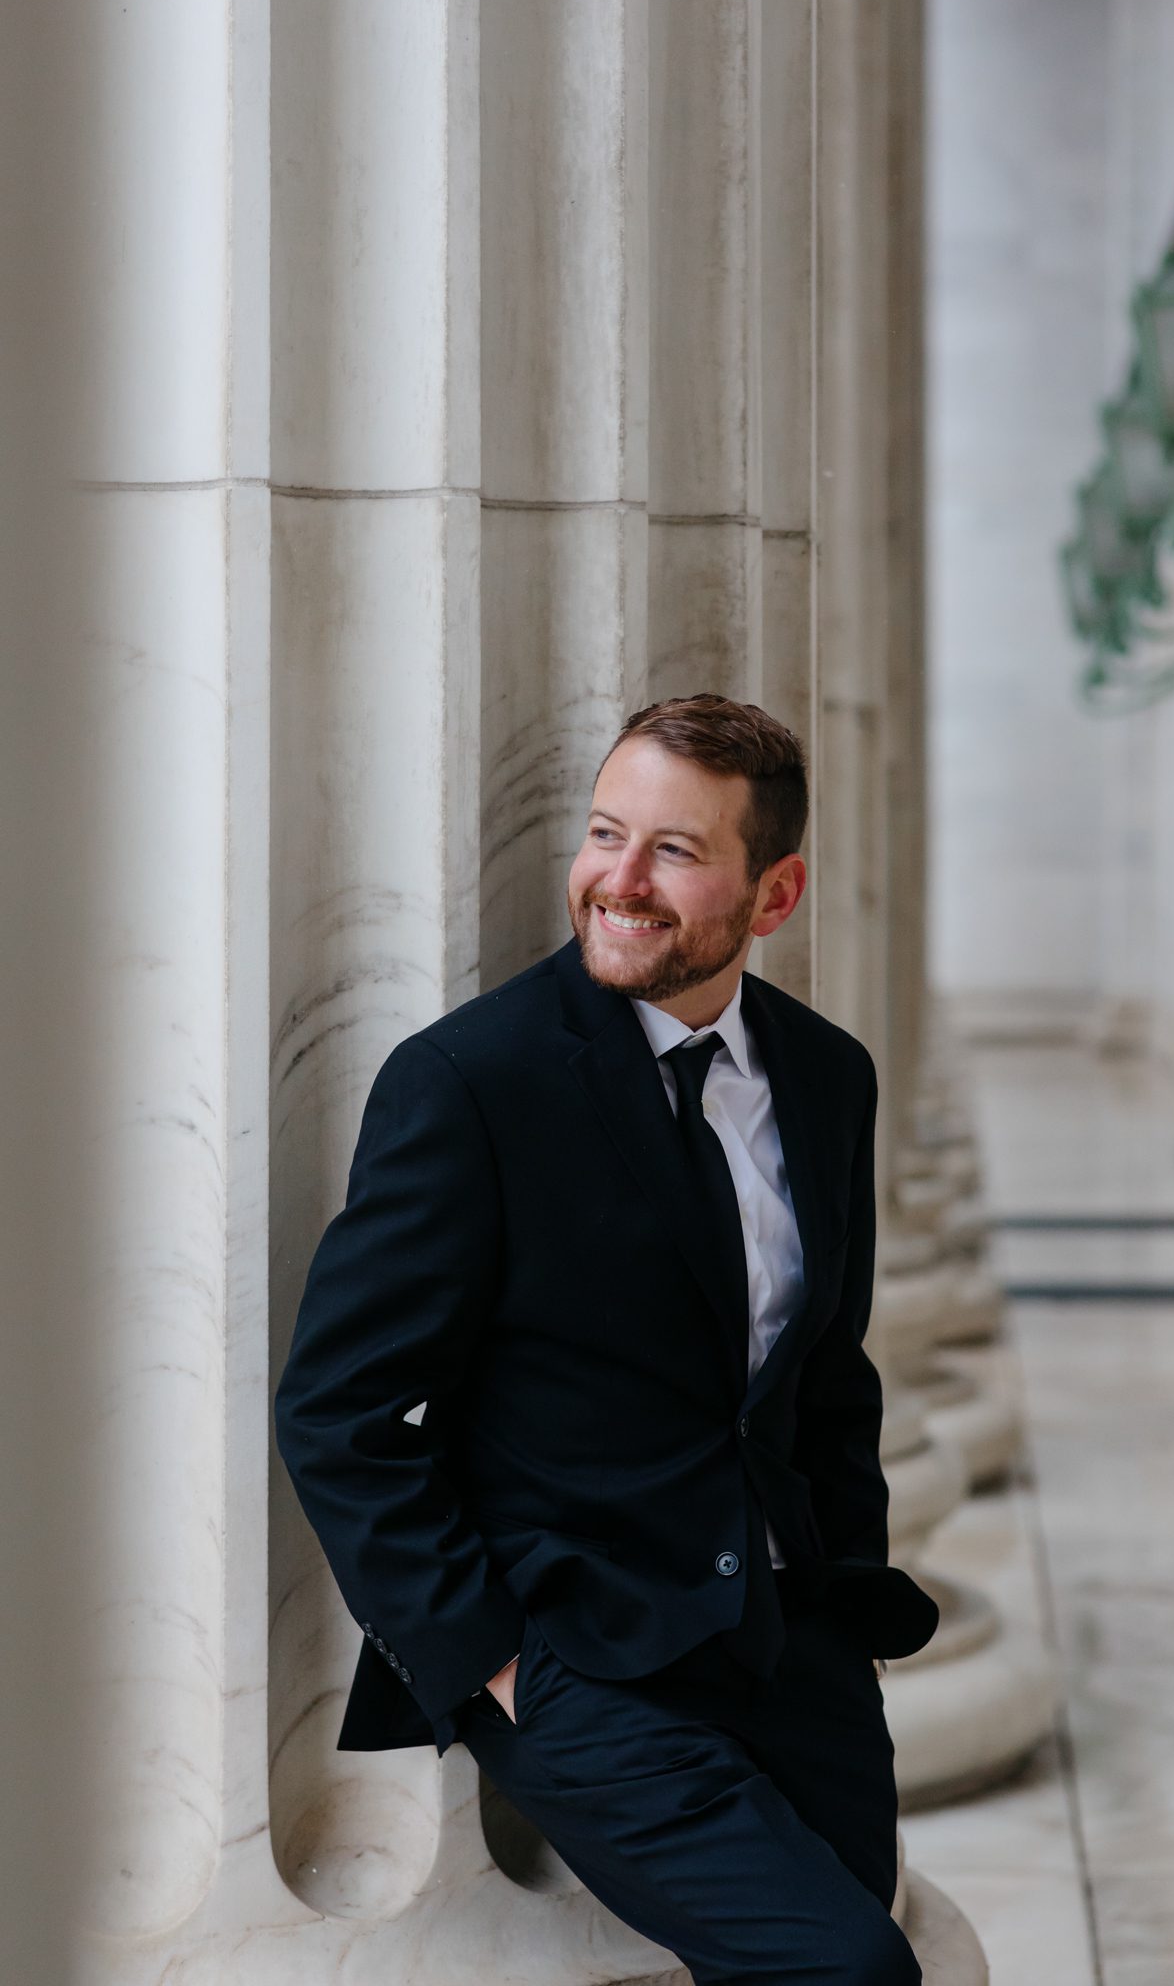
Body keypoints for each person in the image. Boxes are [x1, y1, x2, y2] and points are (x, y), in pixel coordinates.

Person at [274, 692, 939, 1984]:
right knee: (845, 1968)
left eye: (674, 852)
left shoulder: (824, 1074)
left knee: (849, 1949)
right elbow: (337, 1409)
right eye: (602, 834)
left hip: (789, 1636)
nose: (616, 883)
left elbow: (825, 1371)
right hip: (581, 1654)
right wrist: (490, 1662)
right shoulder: (473, 1080)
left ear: (775, 890)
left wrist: (840, 1587)